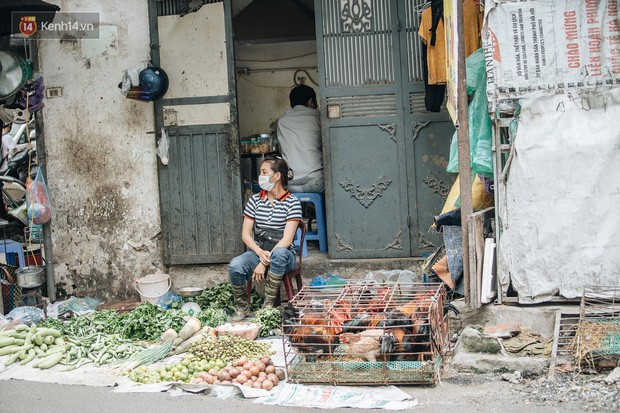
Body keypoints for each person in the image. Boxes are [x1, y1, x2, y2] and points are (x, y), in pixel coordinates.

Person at [228, 156, 302, 321]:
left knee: (280, 254)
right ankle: (242, 308)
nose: (260, 176)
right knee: (235, 265)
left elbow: (287, 240)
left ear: (277, 176)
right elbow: (245, 235)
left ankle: (267, 306)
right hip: (259, 250)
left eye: (264, 172)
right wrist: (260, 253)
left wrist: (263, 262)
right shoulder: (255, 200)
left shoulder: (292, 203)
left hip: (284, 255)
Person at [276, 84, 324, 193]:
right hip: (317, 182)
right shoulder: (318, 117)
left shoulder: (282, 120)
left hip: (290, 183)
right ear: (311, 101)